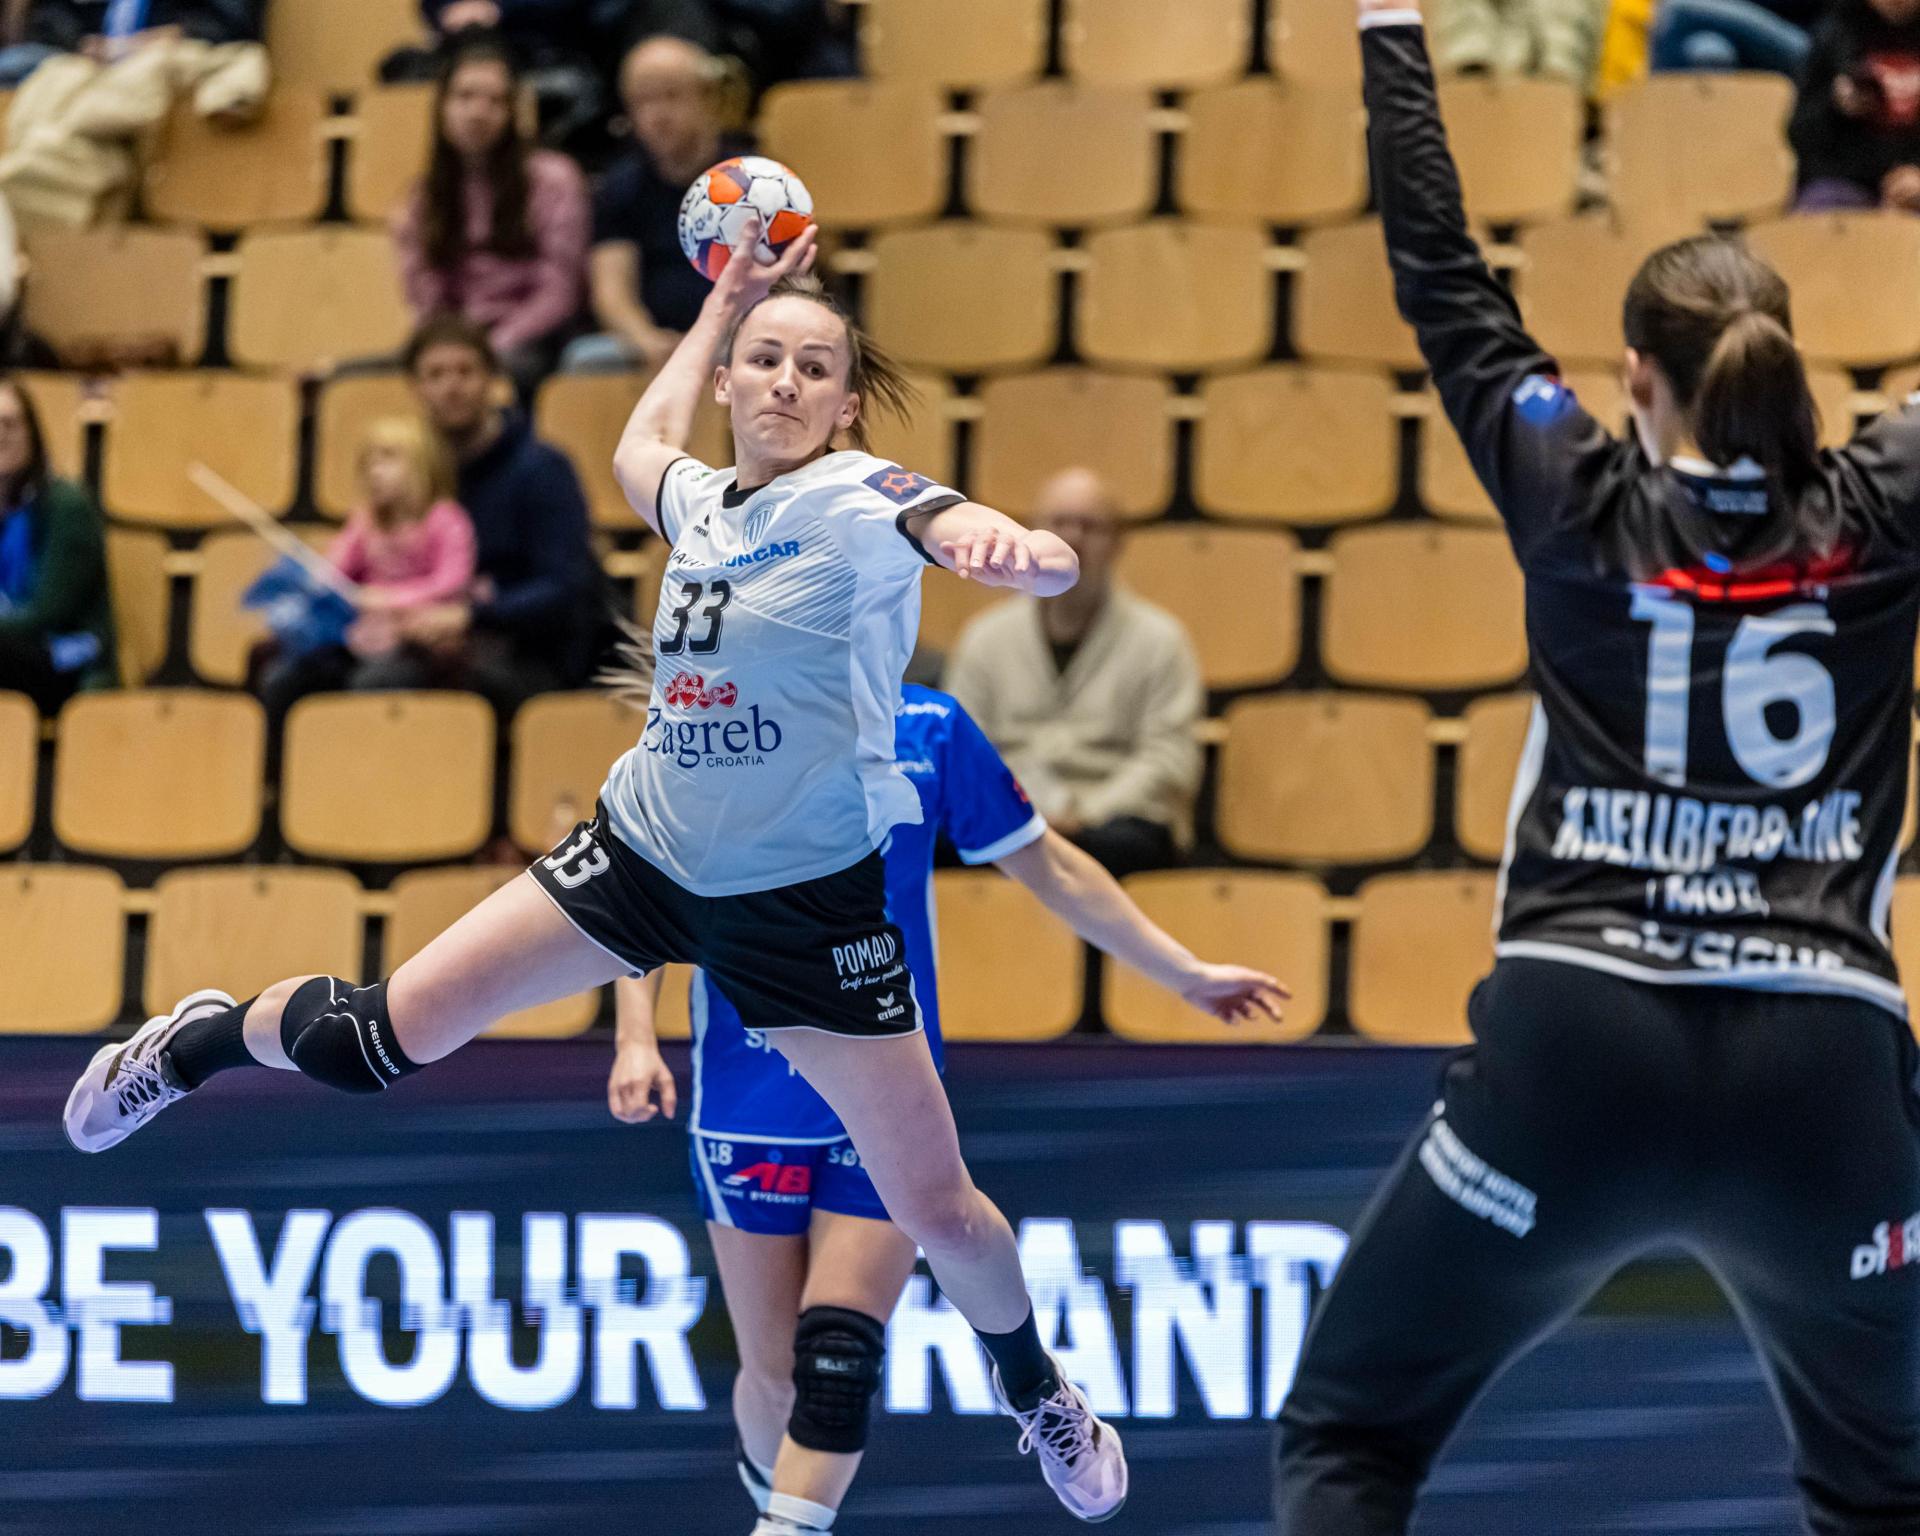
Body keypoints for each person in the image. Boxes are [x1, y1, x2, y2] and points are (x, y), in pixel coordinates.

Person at [61, 217, 1287, 1528]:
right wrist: (720, 301)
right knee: (382, 1037)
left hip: (804, 905)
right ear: (732, 380)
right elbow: (639, 446)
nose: (786, 382)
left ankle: (1039, 1390)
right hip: (641, 851)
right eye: (765, 359)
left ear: (846, 403)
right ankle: (193, 1044)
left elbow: (959, 523)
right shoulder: (697, 500)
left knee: (940, 1209)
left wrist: (1014, 550)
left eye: (815, 367)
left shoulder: (860, 498)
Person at [1275, 2, 1920, 1531]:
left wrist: (1392, 27)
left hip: (1583, 1041)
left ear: (1637, 376)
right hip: (1822, 1068)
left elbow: (1439, 270)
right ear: (1787, 365)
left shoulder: (1569, 482)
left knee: (1352, 1434)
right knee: (1885, 1498)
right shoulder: (1884, 500)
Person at [605, 679, 1289, 1535]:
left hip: (882, 1076)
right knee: (774, 1377)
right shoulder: (714, 720)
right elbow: (642, 886)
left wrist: (1183, 973)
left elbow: (1048, 862)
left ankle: (1030, 1388)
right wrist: (636, 1037)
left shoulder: (928, 726)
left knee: (837, 1361)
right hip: (748, 1091)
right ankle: (782, 1499)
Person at [944, 468, 1201, 879]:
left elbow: (1168, 758)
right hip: (1008, 815)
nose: (1073, 538)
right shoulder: (985, 637)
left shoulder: (1161, 640)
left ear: (1118, 542)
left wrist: (1084, 814)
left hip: (1111, 822)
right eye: (1059, 523)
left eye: (1090, 526)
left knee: (1132, 844)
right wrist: (1028, 810)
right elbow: (964, 749)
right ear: (1029, 534)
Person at [394, 313, 603, 714]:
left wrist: (470, 617)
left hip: (531, 651)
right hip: (436, 638)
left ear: (492, 379)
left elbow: (564, 587)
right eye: (435, 375)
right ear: (415, 387)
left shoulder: (541, 469)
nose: (451, 387)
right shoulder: (413, 473)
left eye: (465, 371)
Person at [394, 36, 590, 399]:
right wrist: (452, 351)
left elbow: (559, 291)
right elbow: (425, 298)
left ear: (514, 112)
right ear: (442, 107)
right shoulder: (423, 198)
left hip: (530, 341)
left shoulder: (553, 179)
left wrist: (489, 349)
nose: (478, 112)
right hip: (455, 342)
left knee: (505, 370)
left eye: (495, 101)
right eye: (465, 97)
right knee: (362, 377)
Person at [253, 415, 477, 722]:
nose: (374, 471)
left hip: (417, 641)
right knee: (284, 678)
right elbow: (338, 567)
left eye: (387, 460)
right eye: (368, 463)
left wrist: (386, 599)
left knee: (373, 683)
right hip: (362, 635)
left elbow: (451, 582)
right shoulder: (365, 520)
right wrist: (315, 578)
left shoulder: (445, 519)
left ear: (422, 466)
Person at [562, 33, 750, 375]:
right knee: (584, 359)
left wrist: (712, 339)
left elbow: (778, 282)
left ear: (707, 98)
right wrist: (645, 339)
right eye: (644, 102)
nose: (658, 114)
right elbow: (611, 291)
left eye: (671, 96)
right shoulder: (620, 187)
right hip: (653, 345)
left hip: (737, 336)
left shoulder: (754, 181)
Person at [0, 376, 111, 712]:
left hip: (64, 657)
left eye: (10, 424)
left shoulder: (66, 506)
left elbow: (49, 611)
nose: (1, 435)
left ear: (32, 433)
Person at [1789, 0, 1920, 212]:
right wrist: (1835, 105)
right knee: (1820, 207)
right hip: (1847, 179)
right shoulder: (1836, 32)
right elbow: (1800, 133)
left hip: (1912, 181)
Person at [1648, 0, 1816, 73]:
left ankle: (1657, 119)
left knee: (1678, 9)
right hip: (1734, 34)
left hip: (1811, 46)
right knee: (1709, 51)